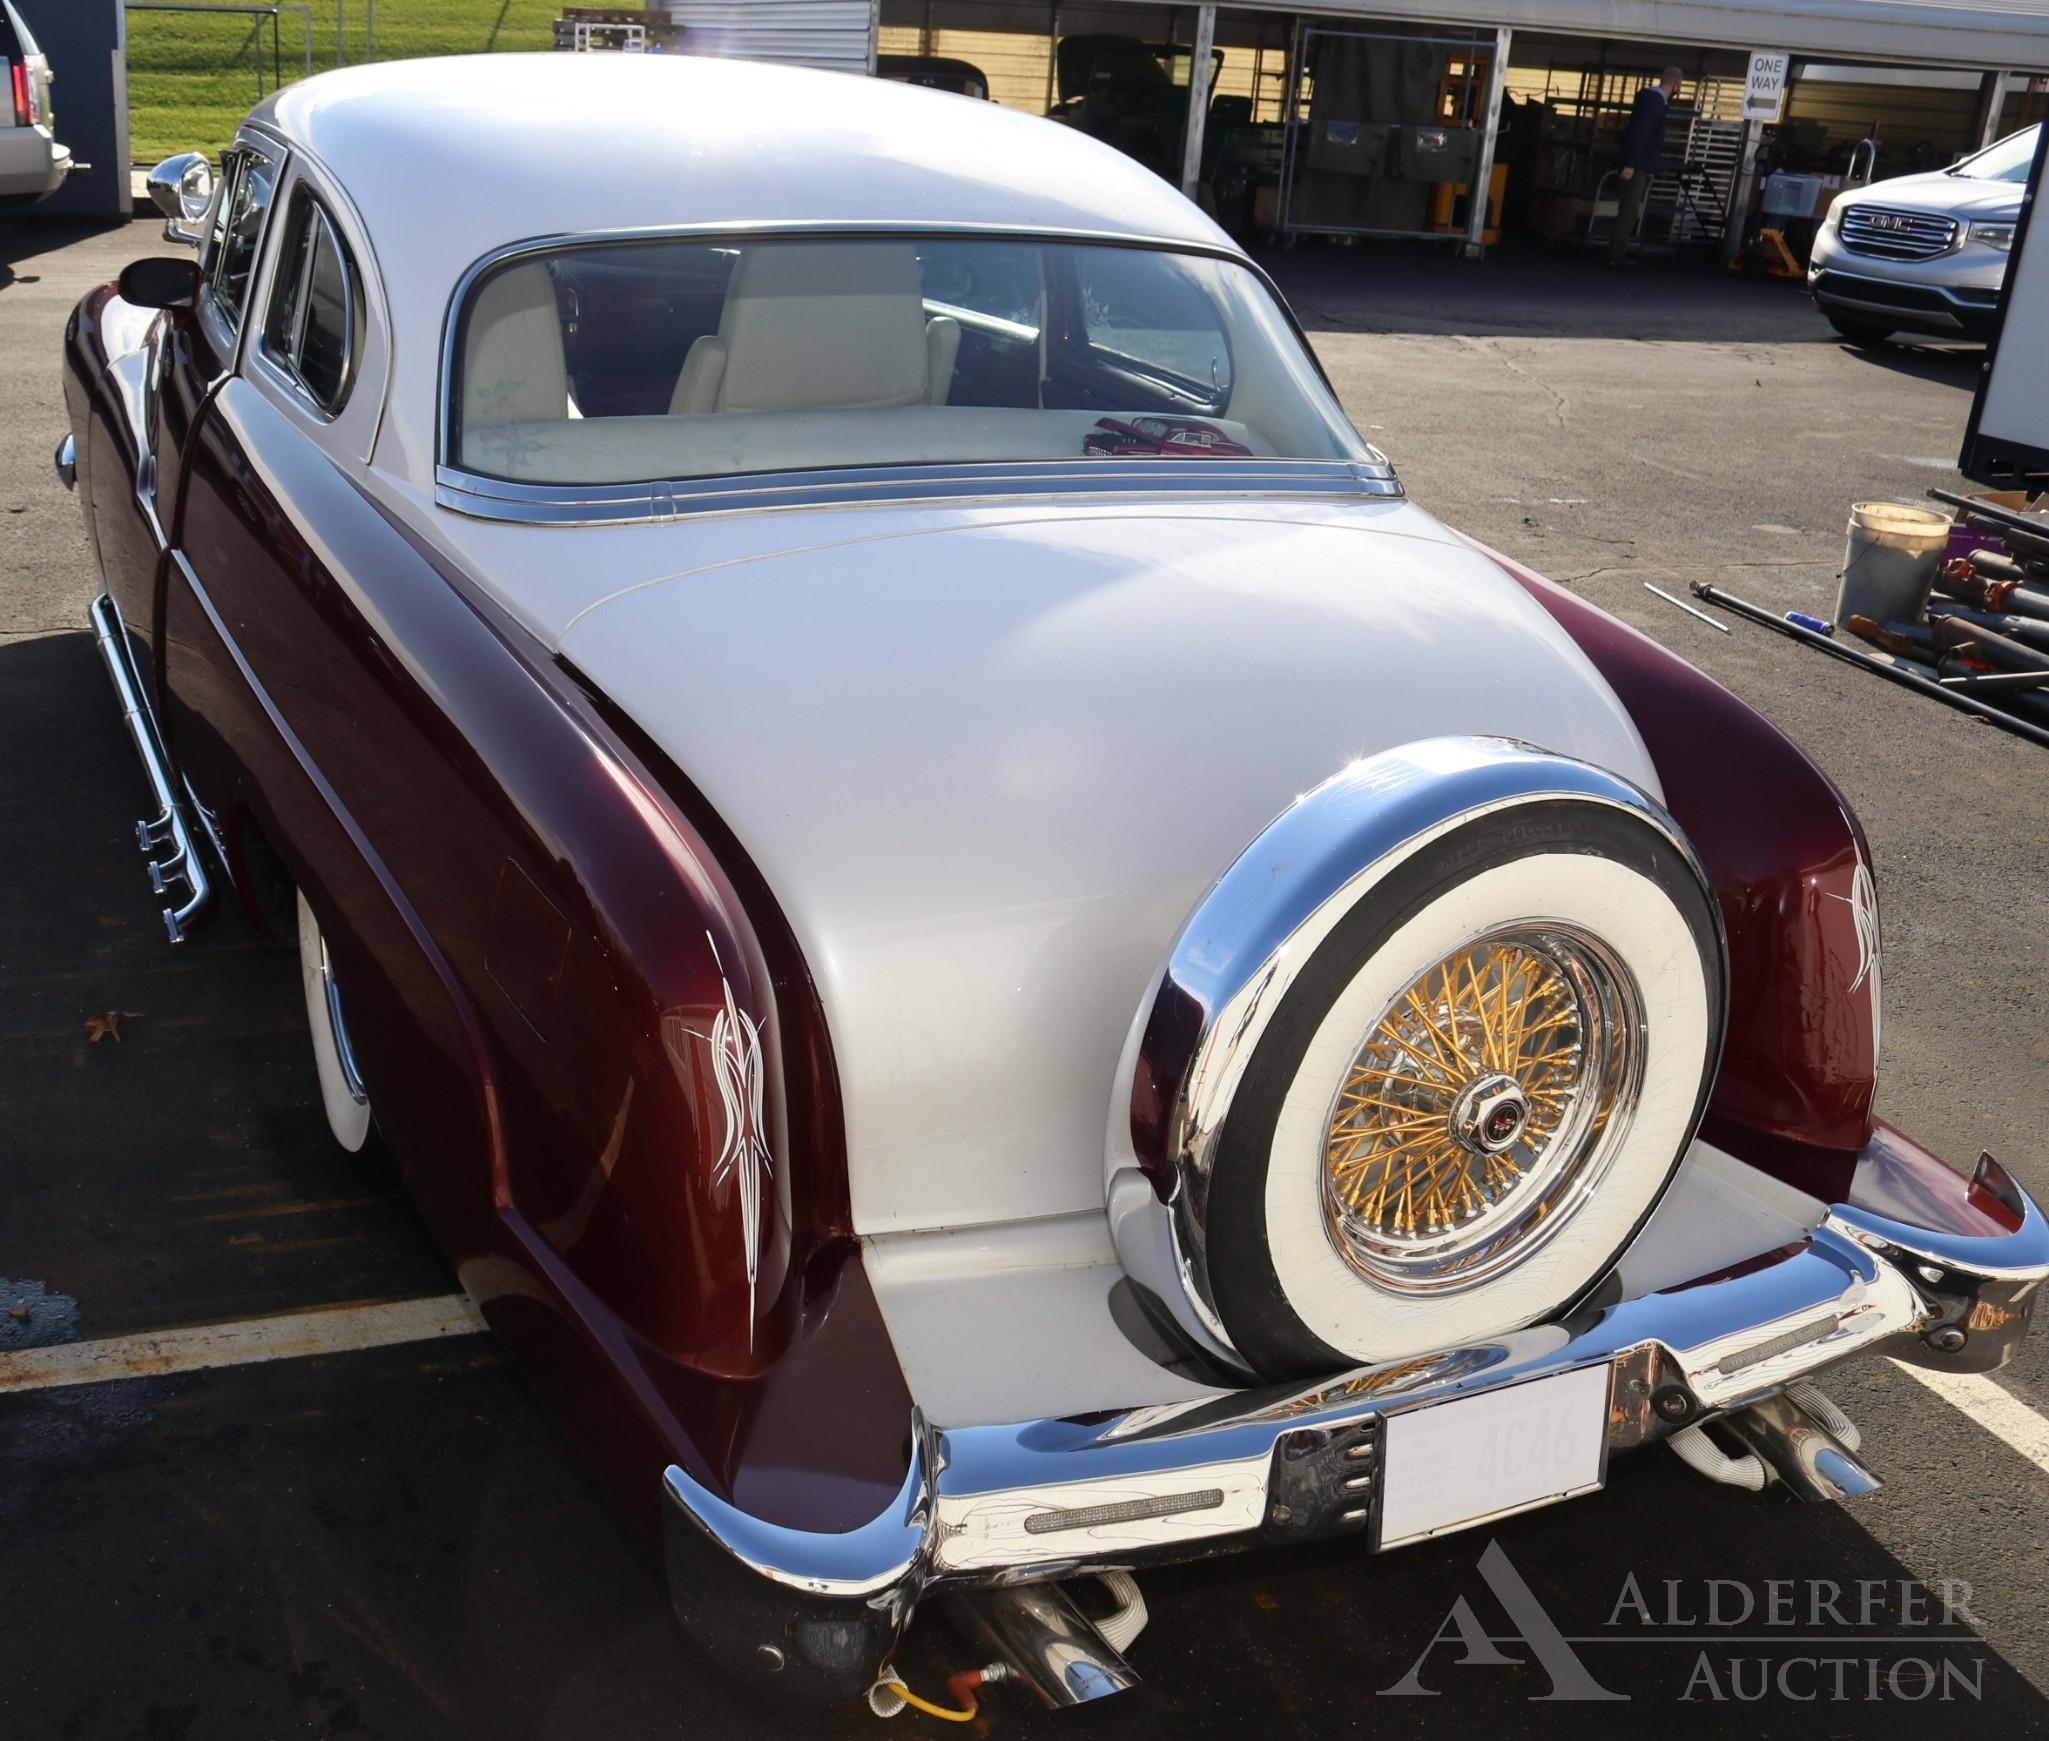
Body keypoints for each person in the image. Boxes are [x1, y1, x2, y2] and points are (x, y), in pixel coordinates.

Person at [1608, 66, 1682, 266]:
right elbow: (1641, 133)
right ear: (1676, 84)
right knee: (1630, 209)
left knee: (1628, 207)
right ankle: (1616, 255)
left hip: (1637, 161)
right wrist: (1631, 163)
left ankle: (1616, 252)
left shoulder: (1649, 100)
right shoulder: (1656, 104)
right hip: (1638, 164)